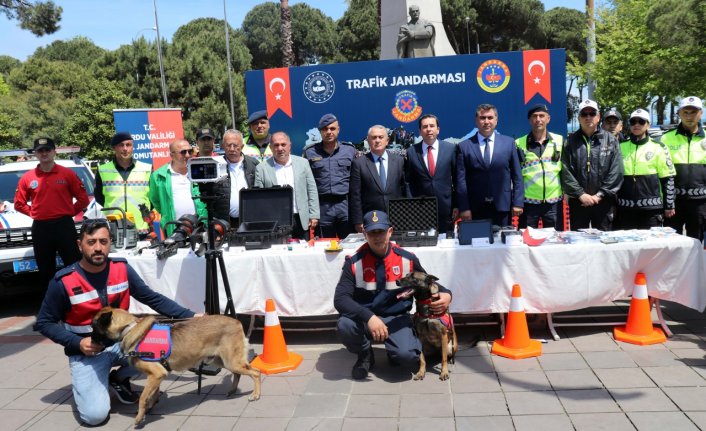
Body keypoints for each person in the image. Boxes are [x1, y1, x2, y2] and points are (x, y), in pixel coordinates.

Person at [34, 219, 197, 426]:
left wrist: (190, 317)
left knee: (163, 347)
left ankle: (118, 378)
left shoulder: (121, 268)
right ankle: (95, 382)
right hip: (87, 354)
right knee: (95, 416)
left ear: (111, 242)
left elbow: (150, 297)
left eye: (103, 241)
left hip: (124, 345)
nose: (98, 248)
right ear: (79, 245)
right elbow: (44, 322)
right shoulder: (63, 281)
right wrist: (77, 343)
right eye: (91, 242)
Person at [333, 210, 452, 379]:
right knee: (345, 325)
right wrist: (369, 317)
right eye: (372, 232)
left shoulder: (407, 258)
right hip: (366, 318)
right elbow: (340, 299)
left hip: (396, 318)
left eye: (380, 231)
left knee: (407, 357)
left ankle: (394, 351)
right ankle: (365, 354)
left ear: (390, 231)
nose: (377, 237)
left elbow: (425, 282)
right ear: (364, 234)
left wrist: (447, 294)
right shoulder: (353, 262)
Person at [14, 137, 89, 289]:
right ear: (35, 153)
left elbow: (83, 200)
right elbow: (19, 204)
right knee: (45, 270)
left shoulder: (67, 174)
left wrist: (68, 212)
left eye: (47, 150)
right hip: (41, 228)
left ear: (54, 152)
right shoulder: (27, 178)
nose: (44, 153)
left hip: (64, 226)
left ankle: (79, 303)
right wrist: (35, 214)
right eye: (40, 150)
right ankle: (50, 307)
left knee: (73, 266)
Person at [456, 104, 524, 226]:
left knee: (503, 243)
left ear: (496, 120)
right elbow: (461, 181)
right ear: (476, 121)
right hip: (475, 208)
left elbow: (517, 176)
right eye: (482, 118)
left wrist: (518, 202)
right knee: (477, 243)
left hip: (502, 207)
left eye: (490, 117)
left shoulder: (509, 143)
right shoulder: (464, 146)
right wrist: (464, 207)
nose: (486, 121)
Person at [561, 99, 624, 231]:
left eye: (592, 113)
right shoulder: (570, 142)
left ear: (598, 116)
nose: (588, 117)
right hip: (578, 202)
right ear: (579, 118)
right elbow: (565, 171)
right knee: (578, 244)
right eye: (584, 114)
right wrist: (580, 194)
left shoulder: (611, 140)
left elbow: (616, 172)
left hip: (604, 201)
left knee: (605, 243)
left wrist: (599, 195)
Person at [615, 109, 676, 229]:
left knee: (652, 247)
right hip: (626, 209)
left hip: (651, 210)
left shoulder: (659, 147)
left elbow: (668, 178)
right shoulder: (620, 147)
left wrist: (669, 205)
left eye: (641, 122)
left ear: (648, 124)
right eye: (633, 122)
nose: (636, 125)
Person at [254, 131, 319, 240]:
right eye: (276, 145)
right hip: (276, 221)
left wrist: (314, 215)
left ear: (289, 146)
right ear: (270, 147)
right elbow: (260, 199)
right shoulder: (261, 168)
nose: (280, 148)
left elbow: (311, 189)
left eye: (283, 144)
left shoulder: (303, 163)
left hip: (301, 218)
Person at [303, 113, 357, 239]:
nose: (329, 132)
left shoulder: (350, 150)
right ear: (320, 131)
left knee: (350, 244)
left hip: (345, 205)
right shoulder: (310, 152)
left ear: (338, 130)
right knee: (324, 245)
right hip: (322, 206)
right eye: (325, 129)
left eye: (332, 128)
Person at [349, 125, 408, 233]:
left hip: (397, 218)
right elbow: (355, 195)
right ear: (368, 140)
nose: (377, 140)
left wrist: (407, 215)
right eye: (374, 137)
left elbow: (405, 189)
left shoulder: (399, 161)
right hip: (371, 219)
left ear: (387, 140)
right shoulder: (359, 163)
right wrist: (358, 221)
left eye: (381, 137)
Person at [662, 96, 706, 241]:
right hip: (674, 202)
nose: (689, 116)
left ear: (701, 113)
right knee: (672, 245)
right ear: (679, 113)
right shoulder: (665, 138)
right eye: (685, 112)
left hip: (700, 202)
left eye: (693, 112)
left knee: (697, 244)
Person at [405, 114, 458, 233]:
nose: (428, 129)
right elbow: (408, 182)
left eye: (432, 126)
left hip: (446, 208)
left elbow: (457, 178)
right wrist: (410, 204)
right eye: (425, 126)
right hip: (421, 210)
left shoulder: (450, 149)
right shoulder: (411, 152)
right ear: (420, 131)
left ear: (438, 129)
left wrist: (457, 204)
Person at [515, 104, 564, 229]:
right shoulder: (519, 143)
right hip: (529, 203)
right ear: (529, 120)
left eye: (542, 116)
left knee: (555, 241)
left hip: (554, 202)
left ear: (548, 118)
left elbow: (565, 171)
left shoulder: (559, 141)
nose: (538, 119)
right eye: (534, 116)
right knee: (526, 241)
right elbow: (516, 176)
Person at [95, 132, 152, 236]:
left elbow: (153, 198)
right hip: (113, 228)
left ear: (133, 147)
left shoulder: (146, 169)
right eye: (121, 145)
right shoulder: (102, 170)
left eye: (128, 145)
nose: (125, 149)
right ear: (114, 148)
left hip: (141, 228)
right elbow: (99, 197)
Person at [148, 139, 208, 235]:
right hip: (173, 229)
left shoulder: (200, 171)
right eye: (183, 152)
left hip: (200, 228)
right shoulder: (158, 176)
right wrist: (167, 211)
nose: (188, 155)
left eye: (190, 151)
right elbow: (155, 201)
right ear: (172, 155)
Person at [222, 129, 259, 228]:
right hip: (225, 222)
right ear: (223, 146)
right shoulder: (217, 165)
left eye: (235, 145)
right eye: (228, 145)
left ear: (242, 147)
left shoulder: (254, 164)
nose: (232, 149)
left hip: (250, 220)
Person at [194, 127, 231, 221]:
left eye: (209, 139)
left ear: (214, 141)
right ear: (197, 142)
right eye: (203, 139)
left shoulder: (223, 162)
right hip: (197, 216)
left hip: (219, 215)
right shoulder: (191, 163)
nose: (206, 142)